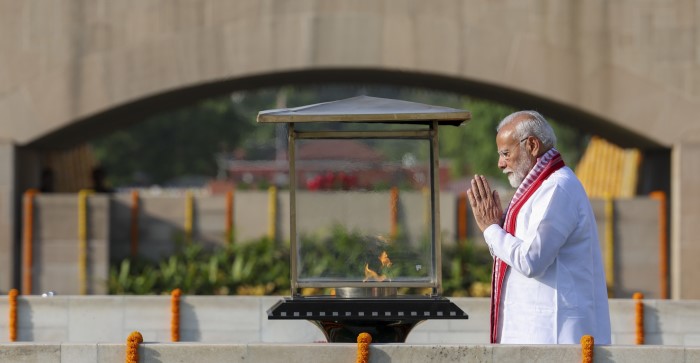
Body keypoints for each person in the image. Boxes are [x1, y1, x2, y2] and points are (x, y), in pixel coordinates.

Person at [466, 110, 611, 344]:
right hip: (535, 335)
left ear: (532, 145)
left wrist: (492, 230)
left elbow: (532, 260)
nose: (500, 164)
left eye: (505, 153)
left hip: (555, 336)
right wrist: (501, 227)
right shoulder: (542, 188)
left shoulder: (557, 188)